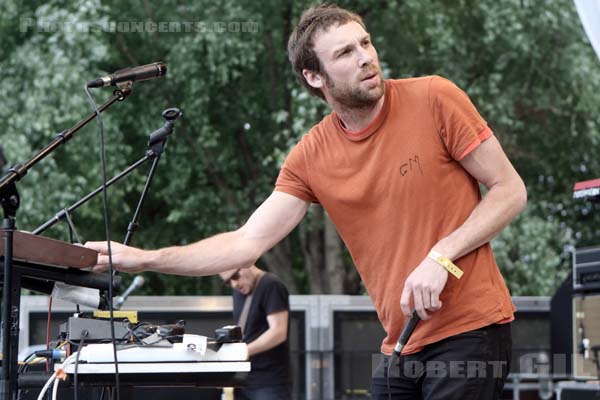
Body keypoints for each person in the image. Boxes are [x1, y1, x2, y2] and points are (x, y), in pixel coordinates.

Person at [86, 4, 527, 399]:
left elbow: (510, 190)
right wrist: (141, 258)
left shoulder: (434, 97)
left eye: (365, 43)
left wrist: (442, 256)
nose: (365, 58)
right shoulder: (310, 155)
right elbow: (244, 244)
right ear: (314, 77)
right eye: (344, 54)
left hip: (471, 329)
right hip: (402, 342)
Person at [219, 265, 291, 399]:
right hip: (243, 380)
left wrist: (242, 351)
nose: (234, 284)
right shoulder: (239, 291)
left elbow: (279, 332)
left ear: (247, 263)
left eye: (235, 276)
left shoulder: (271, 285)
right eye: (228, 282)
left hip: (269, 382)